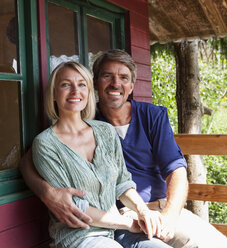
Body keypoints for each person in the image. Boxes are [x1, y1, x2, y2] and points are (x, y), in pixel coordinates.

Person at [20, 50, 227, 248]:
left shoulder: (146, 117)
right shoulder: (78, 124)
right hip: (116, 216)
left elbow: (175, 171)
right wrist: (46, 192)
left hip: (160, 208)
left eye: (123, 78)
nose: (116, 84)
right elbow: (29, 159)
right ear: (95, 83)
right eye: (107, 76)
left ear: (132, 86)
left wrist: (167, 217)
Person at [31, 61, 171, 248]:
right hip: (80, 236)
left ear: (89, 92)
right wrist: (129, 223)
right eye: (66, 85)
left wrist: (143, 211)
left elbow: (122, 183)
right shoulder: (46, 144)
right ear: (54, 94)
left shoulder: (105, 131)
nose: (75, 91)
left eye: (81, 85)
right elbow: (74, 207)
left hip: (116, 231)